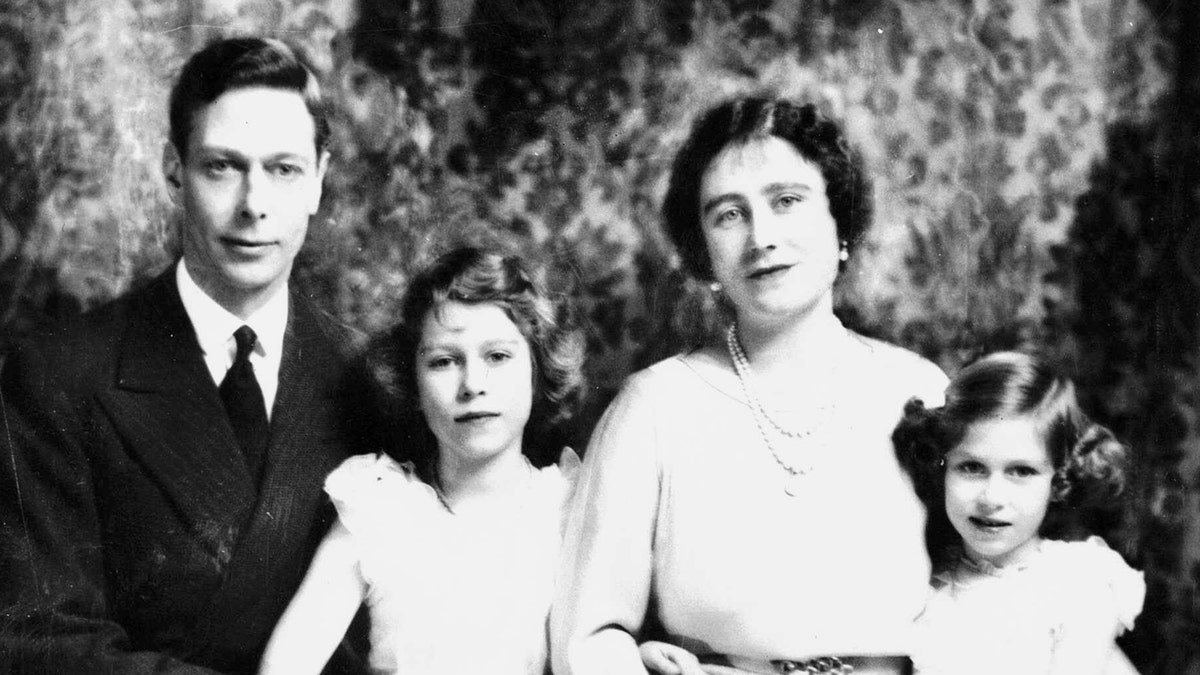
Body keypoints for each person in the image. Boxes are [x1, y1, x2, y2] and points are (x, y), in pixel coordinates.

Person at [0, 37, 373, 673]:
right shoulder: (60, 374)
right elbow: (41, 643)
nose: (254, 205)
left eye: (283, 169)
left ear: (319, 180)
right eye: (223, 167)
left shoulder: (370, 379)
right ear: (174, 171)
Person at [551, 96, 949, 675]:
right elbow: (588, 639)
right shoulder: (654, 408)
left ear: (841, 224)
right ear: (706, 254)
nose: (761, 237)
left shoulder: (917, 389)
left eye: (787, 201)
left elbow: (984, 588)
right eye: (728, 215)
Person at [259, 246, 585, 675]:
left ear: (538, 368)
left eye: (498, 357)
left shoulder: (568, 510)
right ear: (413, 382)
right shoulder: (379, 509)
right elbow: (284, 665)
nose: (473, 384)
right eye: (444, 361)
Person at [891, 352, 1144, 675]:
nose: (992, 498)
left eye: (1021, 472)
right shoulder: (928, 587)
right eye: (971, 467)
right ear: (942, 468)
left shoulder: (1078, 583)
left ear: (1060, 480)